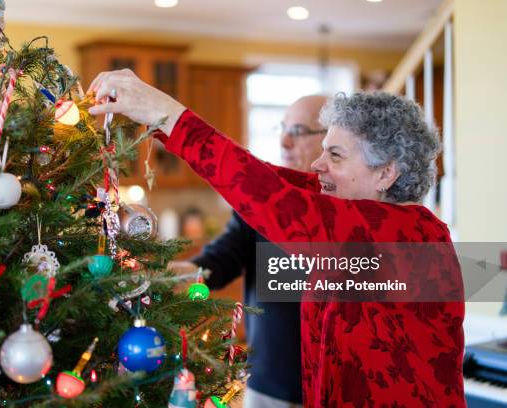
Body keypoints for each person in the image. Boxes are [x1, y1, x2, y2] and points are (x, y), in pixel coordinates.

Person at [88, 69, 465, 407]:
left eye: (335, 155)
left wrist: (165, 114)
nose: (318, 165)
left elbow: (272, 198)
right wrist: (164, 126)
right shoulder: (348, 216)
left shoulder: (410, 232)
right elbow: (269, 179)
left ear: (386, 173)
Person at [169, 95, 328, 408]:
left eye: (297, 131)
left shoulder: (352, 209)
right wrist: (169, 277)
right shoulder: (261, 203)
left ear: (332, 140)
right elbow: (217, 263)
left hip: (337, 391)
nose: (284, 140)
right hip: (269, 387)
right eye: (282, 128)